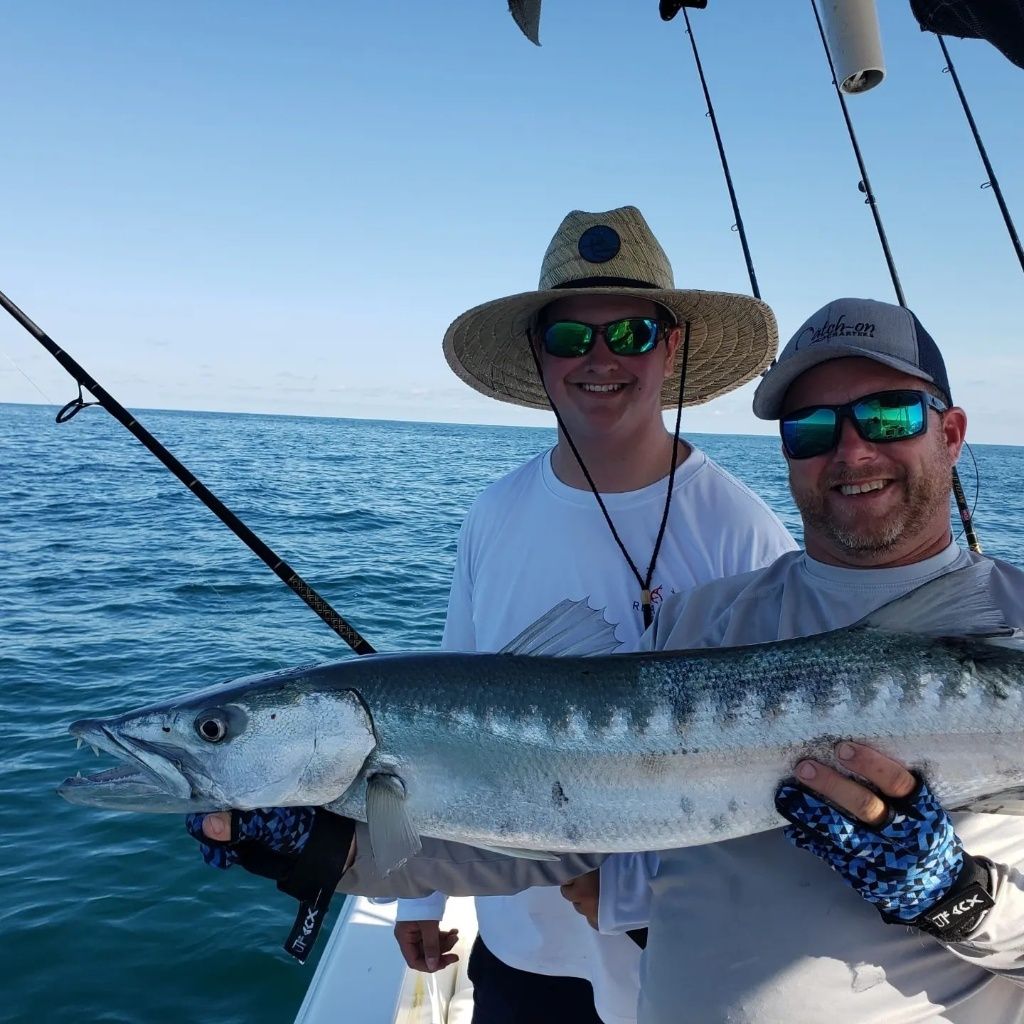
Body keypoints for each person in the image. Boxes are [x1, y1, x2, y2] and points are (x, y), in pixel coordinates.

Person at [195, 296, 1024, 1023]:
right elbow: (564, 822)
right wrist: (324, 854)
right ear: (788, 453)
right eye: (812, 428)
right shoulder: (710, 619)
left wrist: (955, 897)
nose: (851, 452)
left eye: (889, 417)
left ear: (950, 433)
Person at [193, 205, 796, 1024]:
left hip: (679, 954)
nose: (601, 360)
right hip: (519, 945)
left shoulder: (743, 529)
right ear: (539, 356)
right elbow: (436, 719)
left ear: (672, 345)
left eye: (631, 334)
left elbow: (772, 767)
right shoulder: (495, 513)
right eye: (571, 339)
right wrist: (418, 896)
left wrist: (618, 886)